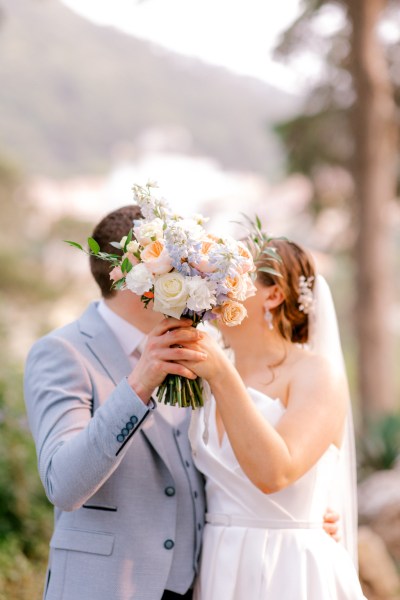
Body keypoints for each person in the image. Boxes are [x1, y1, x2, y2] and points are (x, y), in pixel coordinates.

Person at [24, 208, 339, 600]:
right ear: (137, 272)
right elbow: (64, 485)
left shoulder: (195, 356)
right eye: (179, 263)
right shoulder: (63, 352)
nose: (197, 275)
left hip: (206, 583)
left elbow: (215, 467)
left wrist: (298, 514)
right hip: (105, 587)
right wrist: (138, 385)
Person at [179, 239, 366, 599]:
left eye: (229, 277)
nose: (214, 287)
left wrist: (221, 374)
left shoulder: (316, 374)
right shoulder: (196, 379)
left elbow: (274, 473)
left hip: (288, 568)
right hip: (217, 564)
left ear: (273, 295)